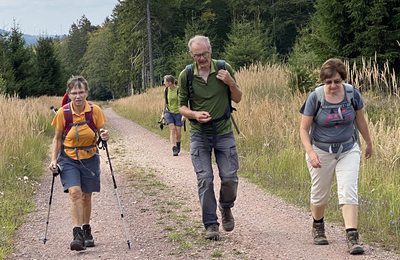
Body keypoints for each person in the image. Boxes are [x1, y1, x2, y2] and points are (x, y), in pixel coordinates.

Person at [299, 58, 373, 255]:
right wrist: (311, 152)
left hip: (348, 149)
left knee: (348, 189)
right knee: (319, 193)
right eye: (328, 82)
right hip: (321, 151)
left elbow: (361, 121)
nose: (333, 86)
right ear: (323, 81)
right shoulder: (315, 97)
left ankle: (352, 236)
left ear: (343, 80)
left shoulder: (351, 94)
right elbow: (304, 129)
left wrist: (368, 143)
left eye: (337, 81)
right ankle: (318, 225)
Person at [178, 35, 242, 240]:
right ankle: (211, 224)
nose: (202, 58)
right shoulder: (186, 75)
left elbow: (238, 98)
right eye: (197, 55)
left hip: (224, 132)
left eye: (204, 54)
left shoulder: (224, 68)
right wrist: (195, 115)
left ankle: (225, 207)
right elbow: (181, 107)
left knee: (230, 178)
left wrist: (231, 82)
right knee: (205, 179)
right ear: (192, 55)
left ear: (210, 51)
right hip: (199, 134)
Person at [48, 75, 109, 251]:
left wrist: (104, 135)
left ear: (86, 92)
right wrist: (53, 160)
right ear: (69, 93)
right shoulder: (63, 113)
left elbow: (102, 130)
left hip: (90, 156)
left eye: (81, 92)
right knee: (75, 192)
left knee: (86, 195)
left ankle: (86, 229)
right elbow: (57, 138)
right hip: (68, 158)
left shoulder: (94, 110)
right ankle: (77, 234)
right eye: (74, 92)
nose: (78, 96)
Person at [162, 75, 184, 156]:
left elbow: (183, 101)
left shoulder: (178, 90)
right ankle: (174, 147)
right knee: (172, 129)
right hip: (169, 112)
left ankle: (178, 144)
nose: (164, 83)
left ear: (170, 82)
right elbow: (165, 102)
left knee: (178, 132)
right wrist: (163, 113)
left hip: (178, 113)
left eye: (165, 81)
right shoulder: (166, 90)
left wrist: (184, 114)